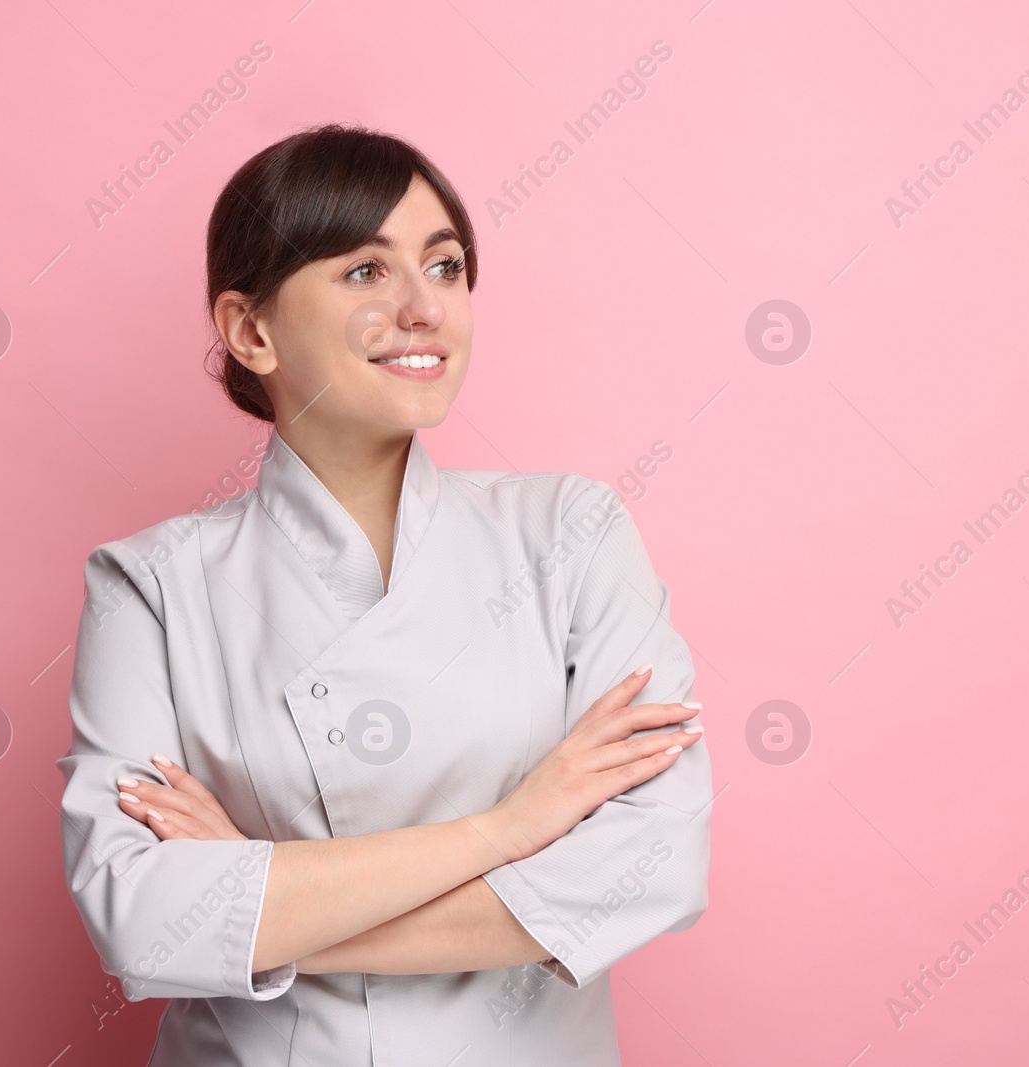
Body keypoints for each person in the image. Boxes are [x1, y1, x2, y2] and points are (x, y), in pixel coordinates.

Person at [56, 122, 712, 1066]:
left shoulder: (571, 533)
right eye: (366, 271)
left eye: (445, 268)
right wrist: (509, 827)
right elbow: (144, 923)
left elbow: (653, 867)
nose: (424, 308)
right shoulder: (151, 585)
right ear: (251, 331)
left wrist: (256, 900)